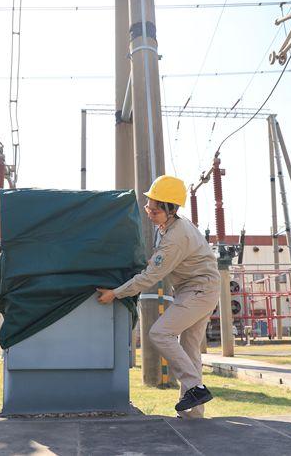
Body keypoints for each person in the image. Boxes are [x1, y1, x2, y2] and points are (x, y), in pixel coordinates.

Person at [97, 175, 220, 418]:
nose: (149, 214)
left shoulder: (175, 237)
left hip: (198, 291)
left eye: (154, 210)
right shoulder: (168, 227)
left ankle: (195, 388)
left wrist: (115, 293)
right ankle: (194, 415)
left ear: (170, 209)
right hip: (199, 289)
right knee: (190, 349)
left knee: (160, 333)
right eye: (148, 207)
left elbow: (150, 277)